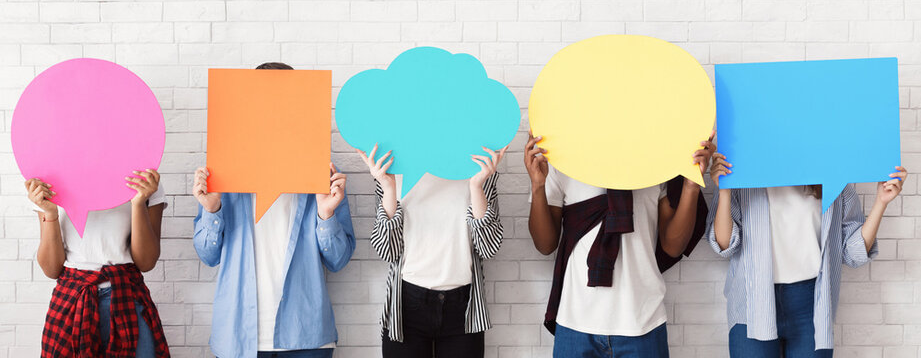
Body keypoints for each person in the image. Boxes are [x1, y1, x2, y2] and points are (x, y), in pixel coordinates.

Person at [192, 62, 355, 358]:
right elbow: (208, 255)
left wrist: (326, 214)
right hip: (238, 338)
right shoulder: (224, 175)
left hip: (306, 338)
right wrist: (212, 208)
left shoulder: (324, 175)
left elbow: (338, 261)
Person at [525, 132, 713, 358]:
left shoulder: (658, 157)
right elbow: (545, 245)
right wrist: (537, 185)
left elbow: (673, 247)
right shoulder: (562, 155)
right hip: (576, 323)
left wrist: (691, 185)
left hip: (642, 321)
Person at [706, 150, 907, 357]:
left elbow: (852, 252)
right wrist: (724, 191)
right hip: (752, 303)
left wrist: (881, 202)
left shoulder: (832, 177)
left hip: (811, 305)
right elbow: (724, 245)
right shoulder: (743, 174)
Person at [359, 143, 506, 358]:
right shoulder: (391, 169)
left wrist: (476, 187)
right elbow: (387, 252)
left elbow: (488, 248)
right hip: (406, 305)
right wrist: (389, 188)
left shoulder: (480, 169)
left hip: (464, 308)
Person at [30, 168, 170, 358]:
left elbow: (146, 262)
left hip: (128, 298)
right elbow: (51, 268)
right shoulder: (48, 178)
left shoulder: (144, 177)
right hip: (71, 301)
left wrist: (138, 203)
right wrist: (50, 212)